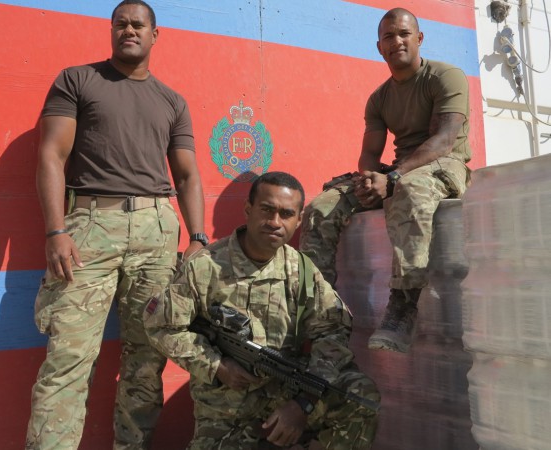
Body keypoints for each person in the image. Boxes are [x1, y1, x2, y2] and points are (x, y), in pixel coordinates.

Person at [25, 1, 208, 449]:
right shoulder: (77, 80)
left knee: (147, 360)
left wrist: (199, 236)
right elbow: (51, 155)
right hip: (89, 227)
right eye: (120, 23)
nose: (129, 30)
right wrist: (55, 230)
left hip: (157, 232)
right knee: (68, 358)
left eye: (138, 24)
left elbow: (186, 175)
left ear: (154, 34)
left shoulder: (172, 101)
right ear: (111, 30)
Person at [144, 172, 379, 450]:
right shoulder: (205, 267)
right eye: (267, 210)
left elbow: (333, 330)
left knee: (359, 396)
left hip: (284, 393)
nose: (275, 222)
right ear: (248, 210)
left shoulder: (301, 269)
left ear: (298, 220)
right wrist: (216, 365)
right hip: (227, 409)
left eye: (286, 214)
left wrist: (303, 403)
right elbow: (161, 326)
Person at [299, 7, 472, 353]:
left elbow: (443, 141)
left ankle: (404, 304)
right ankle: (317, 307)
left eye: (404, 34)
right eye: (388, 37)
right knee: (321, 206)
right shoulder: (378, 98)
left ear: (419, 38)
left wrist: (391, 178)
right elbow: (368, 155)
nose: (397, 42)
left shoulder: (446, 76)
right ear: (379, 47)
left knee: (410, 188)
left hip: (445, 164)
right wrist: (369, 180)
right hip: (400, 170)